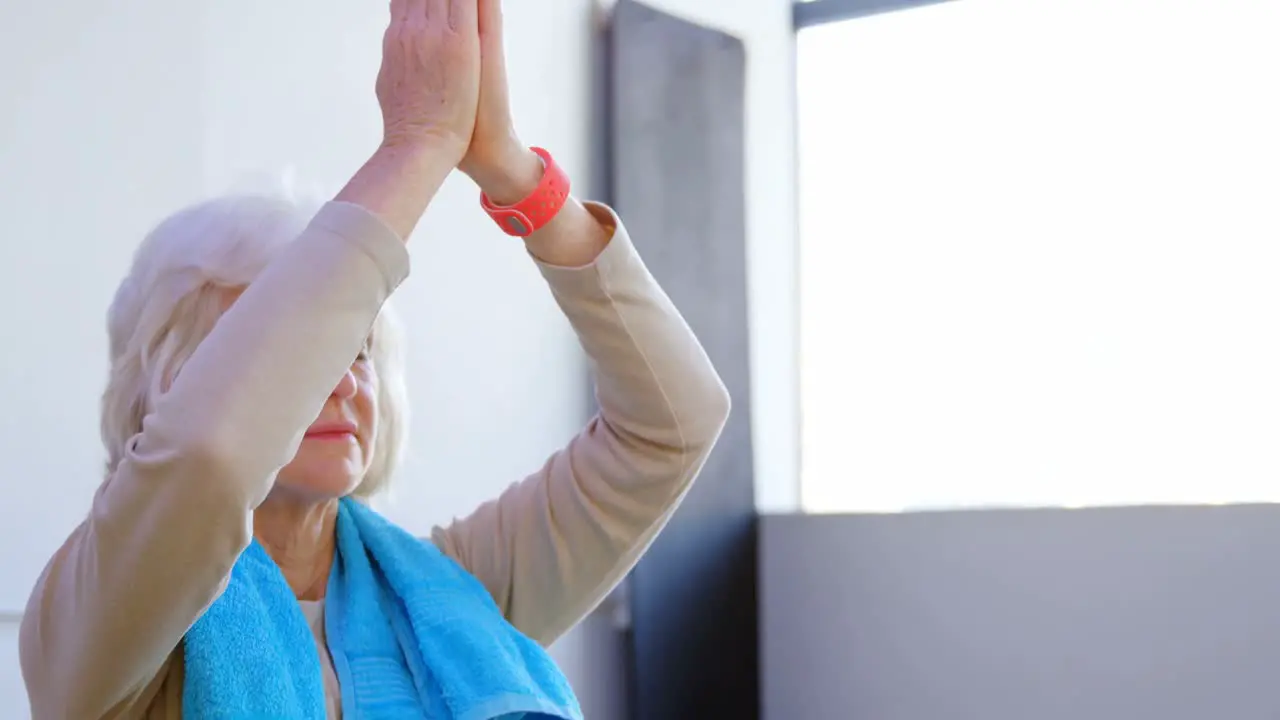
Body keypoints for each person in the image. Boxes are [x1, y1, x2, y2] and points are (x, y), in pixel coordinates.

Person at [17, 0, 730, 717]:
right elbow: (208, 460)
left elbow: (674, 425)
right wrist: (416, 147)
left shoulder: (451, 598)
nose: (339, 376)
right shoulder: (100, 615)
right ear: (171, 383)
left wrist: (515, 174)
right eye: (297, 355)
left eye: (355, 348)